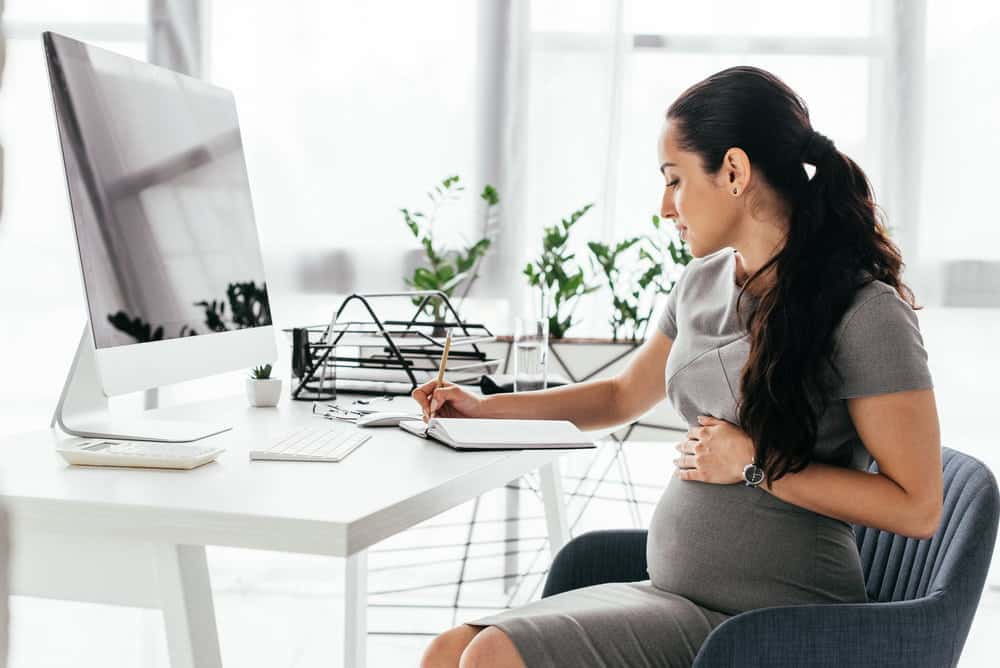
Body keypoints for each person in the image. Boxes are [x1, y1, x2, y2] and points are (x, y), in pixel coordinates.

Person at [415, 66, 941, 668]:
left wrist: (754, 465)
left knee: (491, 656)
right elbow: (618, 397)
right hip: (674, 594)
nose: (665, 207)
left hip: (777, 617)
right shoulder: (701, 283)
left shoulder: (865, 311)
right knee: (448, 650)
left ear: (735, 173)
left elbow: (917, 507)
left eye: (675, 180)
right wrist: (486, 410)